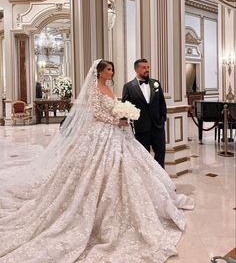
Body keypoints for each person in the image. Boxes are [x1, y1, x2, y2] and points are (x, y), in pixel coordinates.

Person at [0, 59, 193, 263]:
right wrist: (116, 119)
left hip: (120, 133)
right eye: (108, 69)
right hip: (100, 134)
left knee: (135, 165)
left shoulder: (109, 88)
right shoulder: (95, 89)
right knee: (98, 170)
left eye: (112, 69)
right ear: (100, 72)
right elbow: (96, 113)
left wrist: (124, 115)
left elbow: (115, 107)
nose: (112, 72)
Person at [122, 58, 167, 168]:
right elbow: (126, 107)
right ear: (136, 69)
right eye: (144, 67)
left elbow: (162, 103)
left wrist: (162, 119)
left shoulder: (156, 83)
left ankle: (161, 181)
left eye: (148, 67)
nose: (147, 69)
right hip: (141, 129)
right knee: (143, 158)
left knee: (160, 155)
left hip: (158, 127)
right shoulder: (128, 87)